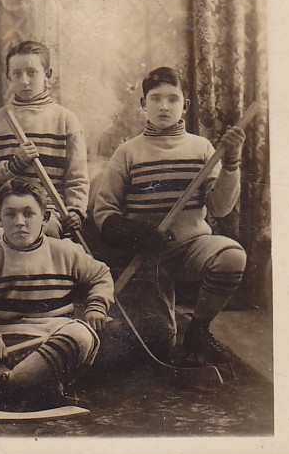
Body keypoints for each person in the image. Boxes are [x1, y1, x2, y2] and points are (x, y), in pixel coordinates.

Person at [93, 66, 247, 364]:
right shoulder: (128, 152)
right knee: (158, 344)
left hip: (193, 248)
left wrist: (231, 163)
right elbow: (104, 212)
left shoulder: (202, 148)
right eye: (155, 98)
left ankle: (198, 330)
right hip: (146, 257)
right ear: (143, 104)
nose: (164, 106)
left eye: (173, 99)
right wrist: (136, 234)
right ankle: (170, 324)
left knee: (231, 257)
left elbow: (220, 208)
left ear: (185, 106)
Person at [0, 177, 113, 411]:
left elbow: (100, 276)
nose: (19, 222)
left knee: (81, 334)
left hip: (47, 352)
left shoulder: (66, 252)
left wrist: (97, 305)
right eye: (10, 214)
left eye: (28, 214)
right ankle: (26, 387)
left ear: (45, 219)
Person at [0, 39, 89, 246]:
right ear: (9, 76)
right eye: (17, 74)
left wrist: (75, 211)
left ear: (48, 74)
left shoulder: (65, 120)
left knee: (45, 236)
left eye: (32, 72)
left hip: (47, 206)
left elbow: (76, 178)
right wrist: (12, 167)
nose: (25, 81)